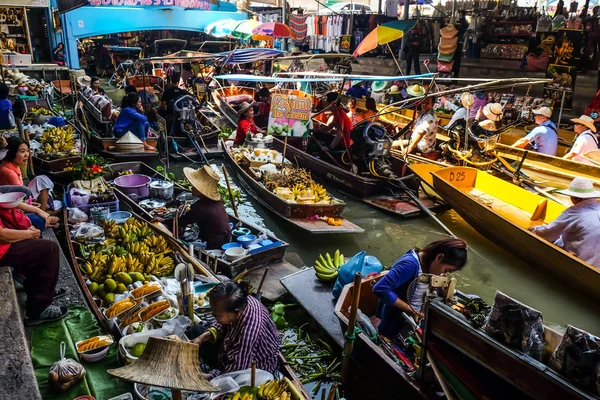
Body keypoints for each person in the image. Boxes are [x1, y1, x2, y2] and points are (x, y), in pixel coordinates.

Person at [373, 239, 468, 339]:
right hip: (396, 319)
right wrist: (412, 311)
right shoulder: (410, 265)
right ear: (439, 257)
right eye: (446, 270)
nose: (442, 274)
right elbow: (380, 288)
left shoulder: (428, 266)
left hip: (416, 315)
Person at [192, 281, 280, 378]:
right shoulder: (244, 301)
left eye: (216, 314)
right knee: (196, 331)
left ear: (236, 313)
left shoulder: (246, 336)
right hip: (232, 347)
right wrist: (201, 338)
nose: (212, 315)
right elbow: (222, 325)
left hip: (252, 369)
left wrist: (202, 376)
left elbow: (234, 374)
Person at [0, 202, 67, 325]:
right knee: (49, 249)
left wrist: (26, 229)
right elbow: (2, 235)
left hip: (3, 243)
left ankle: (38, 291)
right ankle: (38, 310)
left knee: (38, 242)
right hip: (2, 249)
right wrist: (27, 234)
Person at [529, 177, 600, 268]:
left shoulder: (573, 212)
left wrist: (535, 229)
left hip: (583, 263)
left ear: (573, 198)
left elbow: (548, 233)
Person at [178, 166, 231, 250]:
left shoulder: (200, 207)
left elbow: (182, 221)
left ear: (200, 190)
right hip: (226, 237)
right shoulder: (217, 202)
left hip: (214, 244)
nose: (192, 187)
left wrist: (165, 222)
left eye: (194, 186)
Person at [0, 137, 57, 213]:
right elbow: (20, 196)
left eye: (27, 151)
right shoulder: (8, 172)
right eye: (22, 151)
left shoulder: (14, 165)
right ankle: (42, 214)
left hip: (23, 199)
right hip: (18, 205)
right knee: (41, 180)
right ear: (12, 153)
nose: (26, 154)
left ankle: (43, 212)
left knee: (41, 179)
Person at [399, 86, 439, 158]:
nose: (424, 104)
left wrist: (410, 147)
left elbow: (421, 133)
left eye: (427, 103)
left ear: (432, 105)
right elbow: (414, 125)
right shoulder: (422, 113)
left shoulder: (430, 117)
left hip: (423, 147)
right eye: (423, 102)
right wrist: (400, 125)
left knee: (393, 146)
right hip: (416, 142)